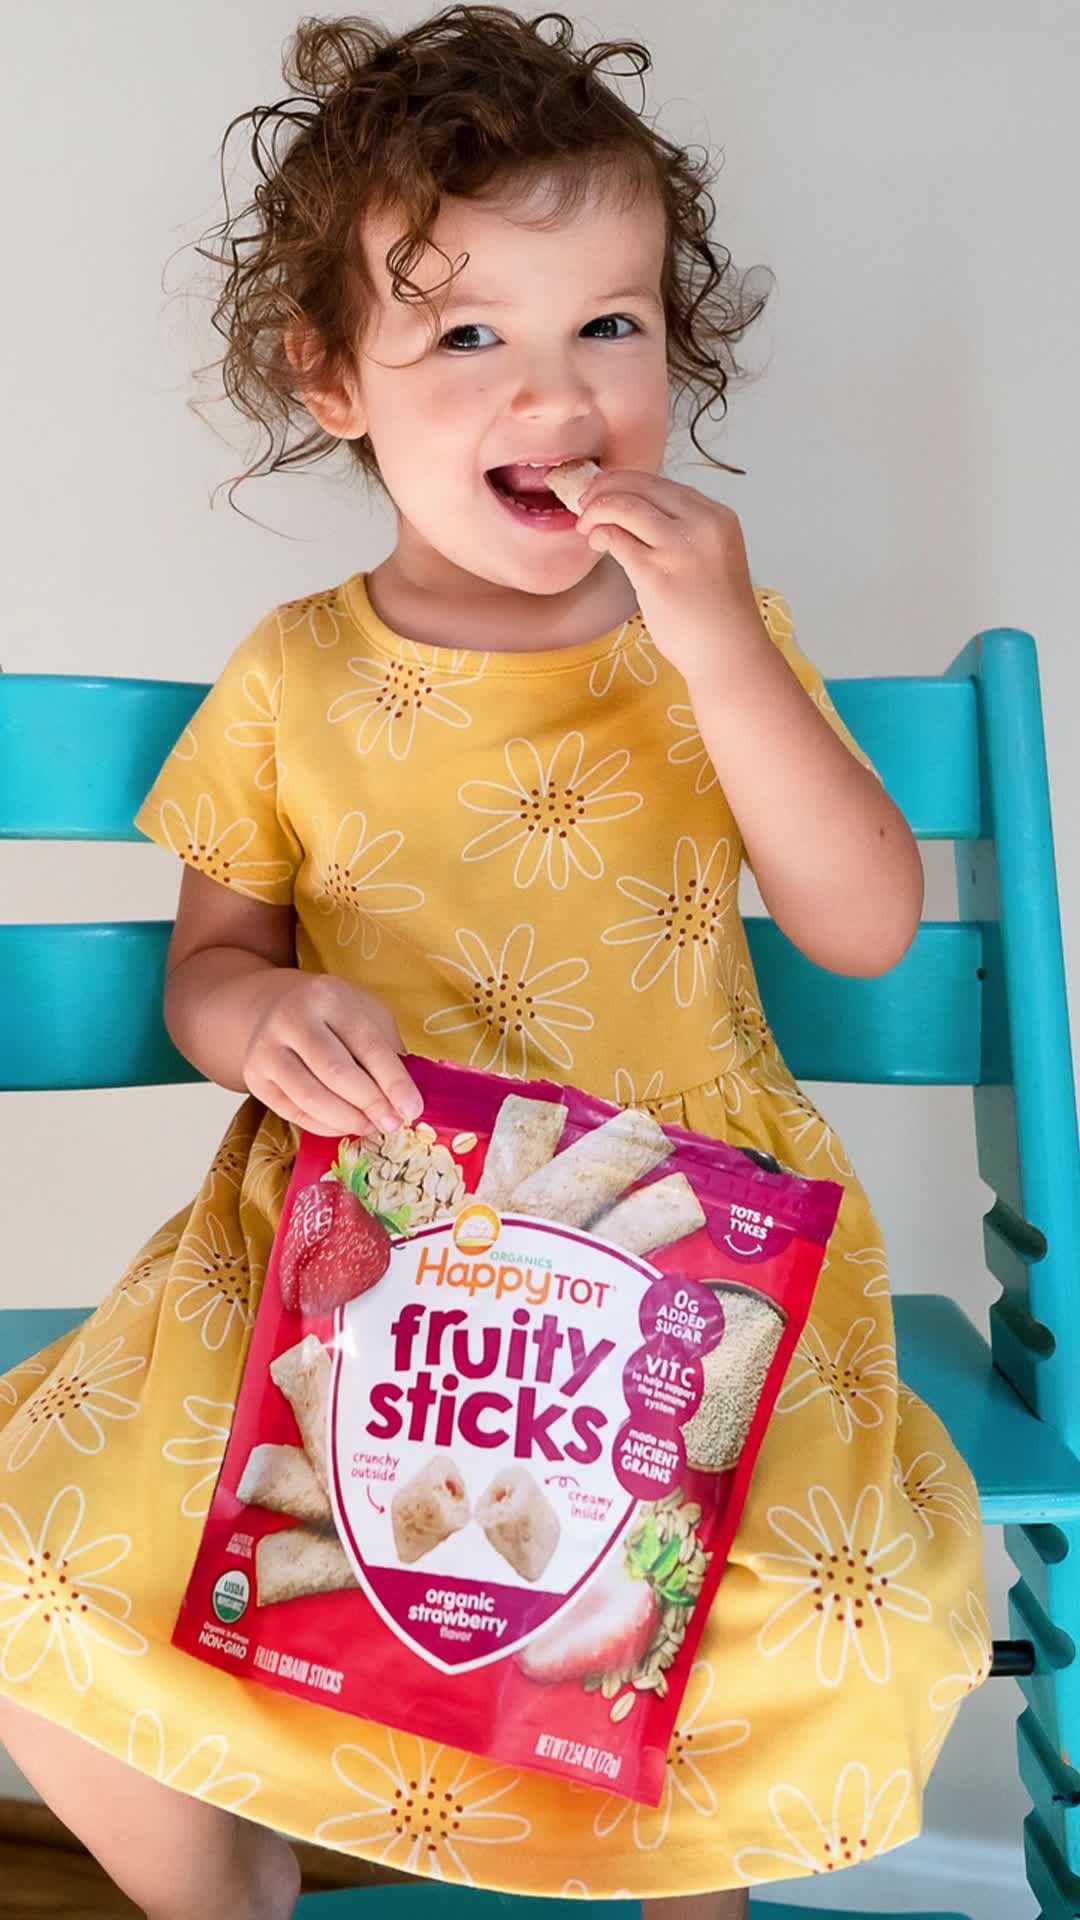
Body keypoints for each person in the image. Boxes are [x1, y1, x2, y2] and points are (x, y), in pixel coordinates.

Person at [0, 8, 989, 1916]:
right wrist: (261, 1013)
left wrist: (722, 648)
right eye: (467, 337)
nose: (556, 389)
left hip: (684, 1260)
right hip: (358, 1252)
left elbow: (864, 928)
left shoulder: (715, 643)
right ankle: (228, 1895)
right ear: (331, 379)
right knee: (46, 1569)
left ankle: (677, 1889)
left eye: (609, 323)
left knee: (742, 1607)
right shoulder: (294, 672)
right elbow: (210, 965)